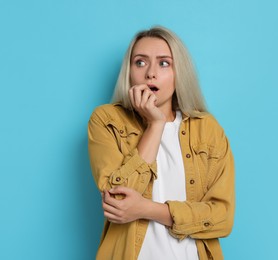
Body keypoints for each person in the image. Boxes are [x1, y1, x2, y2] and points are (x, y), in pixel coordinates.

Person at [87, 26, 235, 260]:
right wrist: (155, 125)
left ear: (179, 72)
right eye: (140, 62)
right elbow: (118, 202)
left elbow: (222, 217)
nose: (150, 74)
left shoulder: (207, 130)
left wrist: (146, 209)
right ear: (129, 72)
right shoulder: (107, 121)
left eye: (164, 63)